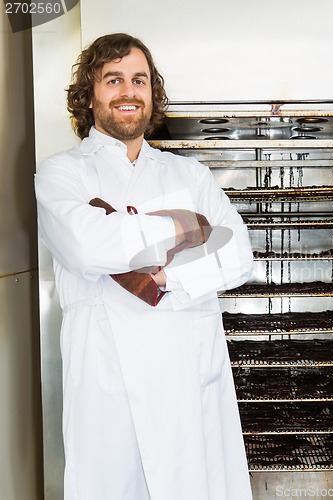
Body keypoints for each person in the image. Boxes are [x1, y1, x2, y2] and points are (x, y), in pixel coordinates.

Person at [35, 33, 254, 500]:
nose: (128, 91)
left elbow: (237, 255)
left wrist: (164, 278)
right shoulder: (62, 173)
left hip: (187, 381)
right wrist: (185, 228)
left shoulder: (188, 174)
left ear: (152, 94)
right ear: (89, 96)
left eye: (139, 80)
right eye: (113, 80)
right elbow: (87, 247)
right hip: (107, 388)